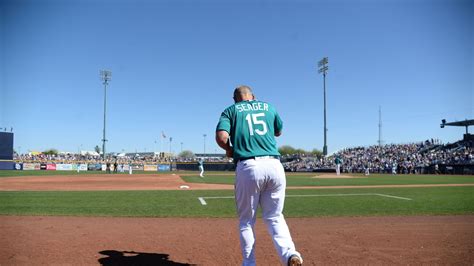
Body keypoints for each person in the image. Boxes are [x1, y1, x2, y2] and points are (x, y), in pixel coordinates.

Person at [215, 85, 303, 266]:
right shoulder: (269, 107)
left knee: (247, 221)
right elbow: (278, 131)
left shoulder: (230, 111)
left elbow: (221, 137)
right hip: (275, 165)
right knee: (275, 216)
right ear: (253, 96)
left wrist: (230, 149)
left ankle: (249, 263)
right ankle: (290, 255)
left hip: (249, 166)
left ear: (235, 99)